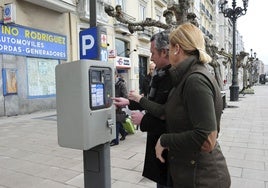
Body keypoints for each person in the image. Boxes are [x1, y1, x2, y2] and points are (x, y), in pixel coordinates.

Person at [128, 23, 231, 188]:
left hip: (202, 178)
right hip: (188, 173)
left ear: (177, 49)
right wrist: (139, 100)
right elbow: (165, 111)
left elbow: (206, 139)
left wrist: (165, 139)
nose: (167, 52)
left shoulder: (195, 80)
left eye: (170, 47)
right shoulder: (184, 76)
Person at [113, 31, 173, 188]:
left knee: (166, 182)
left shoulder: (173, 77)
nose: (151, 58)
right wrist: (128, 102)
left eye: (153, 53)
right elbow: (152, 103)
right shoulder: (159, 75)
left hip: (168, 148)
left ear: (164, 52)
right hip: (158, 145)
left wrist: (143, 120)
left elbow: (170, 117)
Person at [110, 72, 128, 146]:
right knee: (118, 122)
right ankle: (124, 133)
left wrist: (119, 104)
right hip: (112, 105)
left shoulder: (121, 84)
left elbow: (125, 96)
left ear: (116, 75)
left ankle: (115, 140)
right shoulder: (110, 83)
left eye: (112, 75)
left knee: (116, 122)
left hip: (119, 106)